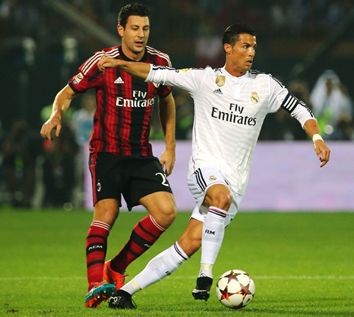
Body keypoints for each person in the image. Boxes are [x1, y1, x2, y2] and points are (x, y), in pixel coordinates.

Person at [97, 23, 331, 309]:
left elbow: (299, 108)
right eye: (245, 46)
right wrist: (120, 64)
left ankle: (125, 293)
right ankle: (205, 275)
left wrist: (316, 137)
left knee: (187, 244)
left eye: (254, 47)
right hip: (204, 170)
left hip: (236, 183)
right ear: (228, 48)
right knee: (219, 195)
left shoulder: (265, 85)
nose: (251, 52)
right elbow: (156, 73)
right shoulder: (204, 80)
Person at [39, 3, 178, 308]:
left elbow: (167, 102)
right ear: (121, 30)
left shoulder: (160, 62)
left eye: (145, 28)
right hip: (106, 152)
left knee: (166, 212)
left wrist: (170, 145)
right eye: (134, 28)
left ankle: (116, 266)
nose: (141, 35)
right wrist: (55, 116)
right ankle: (95, 284)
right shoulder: (102, 62)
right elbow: (67, 92)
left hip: (141, 154)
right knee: (107, 214)